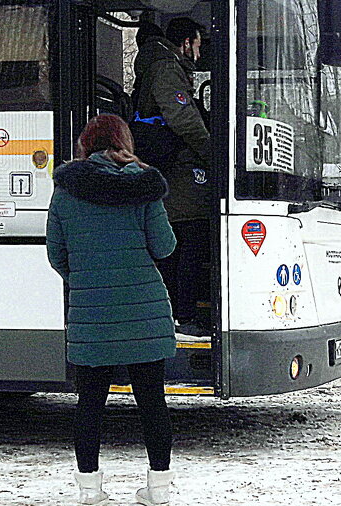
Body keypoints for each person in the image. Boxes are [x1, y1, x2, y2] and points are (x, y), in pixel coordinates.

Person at [46, 114, 178, 506]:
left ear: (85, 144)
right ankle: (158, 493)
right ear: (124, 141)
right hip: (144, 312)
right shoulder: (143, 185)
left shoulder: (66, 190)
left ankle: (90, 493)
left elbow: (56, 255)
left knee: (90, 403)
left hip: (92, 312)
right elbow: (165, 246)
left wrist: (88, 275)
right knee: (152, 401)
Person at [132, 16, 212, 339]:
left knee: (181, 241)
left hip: (170, 170)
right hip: (176, 172)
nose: (199, 49)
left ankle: (177, 313)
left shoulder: (164, 65)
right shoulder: (166, 68)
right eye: (197, 42)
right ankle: (183, 315)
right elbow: (182, 117)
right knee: (189, 236)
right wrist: (211, 152)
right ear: (186, 42)